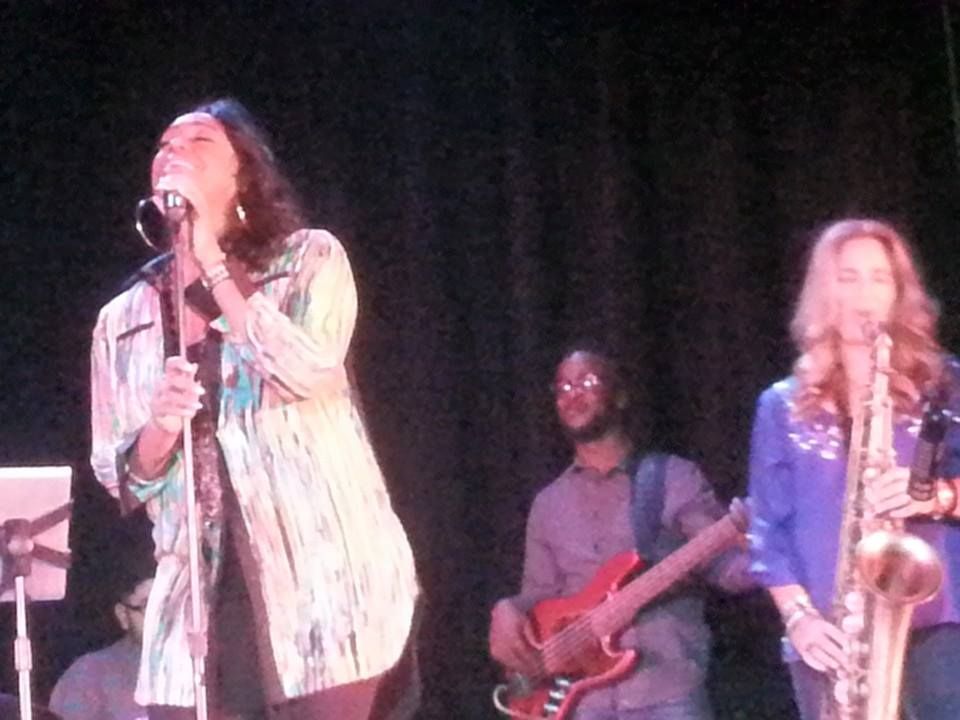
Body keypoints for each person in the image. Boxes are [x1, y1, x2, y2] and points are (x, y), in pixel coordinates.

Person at [89, 98, 419, 720]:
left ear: (243, 174)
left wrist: (212, 262)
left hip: (323, 589)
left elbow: (305, 370)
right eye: (164, 145)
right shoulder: (124, 317)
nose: (173, 153)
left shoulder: (308, 260)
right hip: (198, 599)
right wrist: (160, 427)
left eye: (198, 142)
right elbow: (121, 475)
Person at [747, 218, 960, 720]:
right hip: (831, 633)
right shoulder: (781, 406)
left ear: (899, 293)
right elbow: (767, 531)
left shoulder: (946, 386)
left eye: (879, 278)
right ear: (824, 291)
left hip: (936, 622)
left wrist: (936, 496)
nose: (865, 295)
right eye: (848, 278)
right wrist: (799, 619)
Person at [488, 344, 753, 720]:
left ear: (620, 395)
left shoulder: (673, 478)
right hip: (584, 703)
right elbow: (540, 594)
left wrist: (768, 553)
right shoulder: (548, 503)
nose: (573, 395)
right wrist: (507, 609)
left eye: (587, 382)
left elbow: (725, 568)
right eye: (563, 388)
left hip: (667, 691)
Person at [50, 575, 153, 720]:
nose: (162, 616)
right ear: (123, 615)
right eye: (149, 607)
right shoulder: (89, 675)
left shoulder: (187, 667)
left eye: (170, 605)